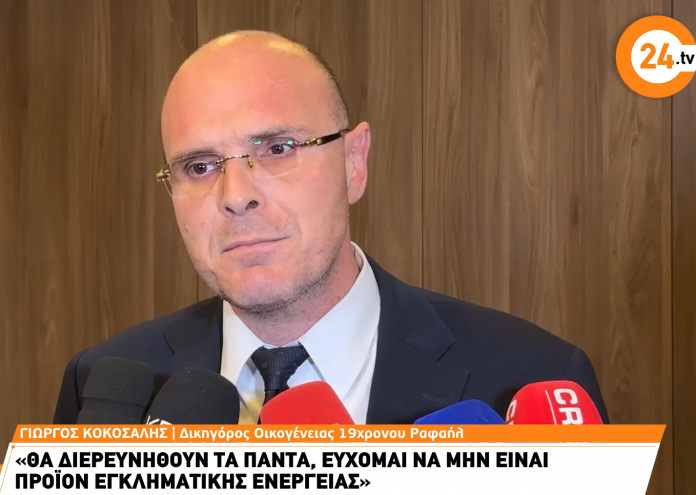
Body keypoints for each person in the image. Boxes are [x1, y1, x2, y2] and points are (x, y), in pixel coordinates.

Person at [53, 31, 609, 425]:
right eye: (199, 167)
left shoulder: (533, 376)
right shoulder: (100, 387)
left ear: (353, 163)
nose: (236, 196)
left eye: (277, 149)